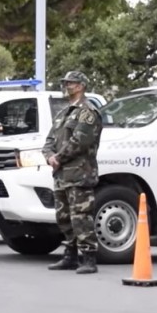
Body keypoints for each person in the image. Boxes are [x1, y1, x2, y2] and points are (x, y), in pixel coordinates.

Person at [42, 71, 103, 274]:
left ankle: (88, 258)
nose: (67, 86)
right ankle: (70, 255)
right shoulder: (63, 113)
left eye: (71, 83)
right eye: (66, 83)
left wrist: (58, 158)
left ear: (81, 86)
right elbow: (49, 140)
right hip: (61, 175)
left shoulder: (88, 112)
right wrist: (49, 155)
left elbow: (80, 141)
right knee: (64, 217)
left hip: (79, 174)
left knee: (81, 217)